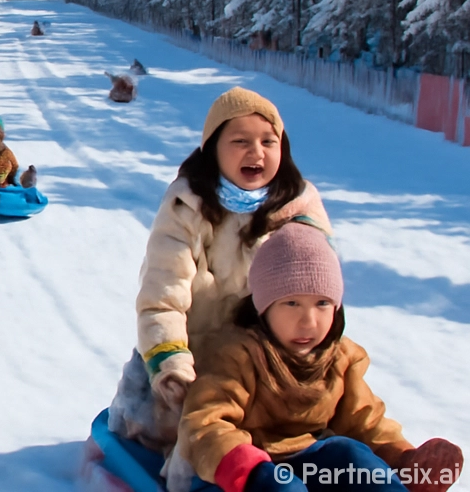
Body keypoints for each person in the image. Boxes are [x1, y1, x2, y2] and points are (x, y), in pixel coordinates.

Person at [107, 87, 333, 459]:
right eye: (240, 141)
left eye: (268, 141)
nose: (256, 152)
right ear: (213, 149)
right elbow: (163, 295)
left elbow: (319, 295)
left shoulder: (299, 211)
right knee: (186, 438)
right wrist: (171, 361)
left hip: (269, 365)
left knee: (310, 424)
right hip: (196, 359)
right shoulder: (187, 206)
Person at [179, 222, 464, 492]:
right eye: (291, 303)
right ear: (263, 307)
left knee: (350, 454)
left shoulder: (338, 358)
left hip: (311, 463)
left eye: (322, 304)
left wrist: (405, 459)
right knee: (284, 487)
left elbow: (365, 422)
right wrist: (246, 467)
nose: (308, 320)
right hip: (241, 476)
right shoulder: (237, 354)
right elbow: (206, 424)